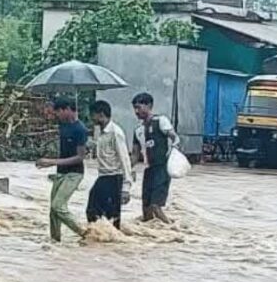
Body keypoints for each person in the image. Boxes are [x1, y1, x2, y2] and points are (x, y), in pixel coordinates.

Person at [37, 98, 88, 242]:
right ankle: (55, 241)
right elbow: (49, 113)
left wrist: (51, 162)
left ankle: (84, 233)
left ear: (67, 109)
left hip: (74, 173)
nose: (57, 115)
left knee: (58, 206)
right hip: (61, 172)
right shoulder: (63, 124)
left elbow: (80, 157)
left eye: (59, 112)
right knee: (53, 211)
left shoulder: (80, 129)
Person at [131, 92, 180, 223]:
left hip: (162, 169)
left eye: (139, 107)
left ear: (149, 106)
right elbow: (135, 154)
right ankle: (151, 233)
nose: (136, 111)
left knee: (155, 206)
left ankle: (172, 229)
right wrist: (127, 169)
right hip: (149, 170)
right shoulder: (138, 130)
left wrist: (174, 149)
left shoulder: (161, 121)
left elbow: (174, 137)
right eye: (134, 108)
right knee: (146, 210)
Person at [86, 100, 133, 230]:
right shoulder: (100, 132)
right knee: (93, 212)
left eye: (93, 115)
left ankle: (112, 238)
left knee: (111, 216)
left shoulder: (115, 132)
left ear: (101, 114)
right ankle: (99, 237)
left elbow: (125, 160)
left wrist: (126, 188)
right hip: (103, 177)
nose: (91, 118)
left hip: (114, 178)